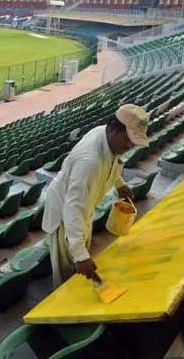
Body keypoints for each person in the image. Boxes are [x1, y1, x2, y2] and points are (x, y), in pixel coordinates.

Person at [42, 104, 149, 287]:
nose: (130, 145)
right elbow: (73, 207)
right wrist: (80, 256)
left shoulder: (107, 137)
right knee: (68, 268)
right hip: (64, 214)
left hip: (84, 205)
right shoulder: (89, 162)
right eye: (128, 139)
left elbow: (113, 162)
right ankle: (62, 305)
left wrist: (119, 184)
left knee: (80, 252)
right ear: (114, 128)